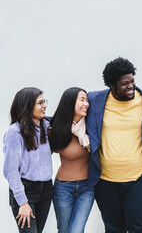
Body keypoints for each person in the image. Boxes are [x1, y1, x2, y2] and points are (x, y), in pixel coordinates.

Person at [86, 57, 142, 232]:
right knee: (113, 229)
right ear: (111, 85)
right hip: (105, 182)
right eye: (124, 83)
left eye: (132, 81)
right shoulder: (94, 100)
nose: (130, 86)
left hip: (140, 179)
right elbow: (69, 117)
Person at [3, 87, 53, 233]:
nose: (45, 106)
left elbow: (66, 121)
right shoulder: (14, 132)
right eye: (40, 103)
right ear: (27, 106)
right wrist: (22, 202)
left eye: (45, 102)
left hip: (46, 190)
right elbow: (11, 172)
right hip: (26, 191)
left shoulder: (45, 125)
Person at [49, 87, 94, 233]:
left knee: (76, 230)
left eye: (87, 100)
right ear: (69, 103)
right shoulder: (56, 129)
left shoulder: (91, 127)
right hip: (63, 188)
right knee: (63, 230)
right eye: (82, 100)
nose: (86, 103)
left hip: (87, 188)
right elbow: (42, 157)